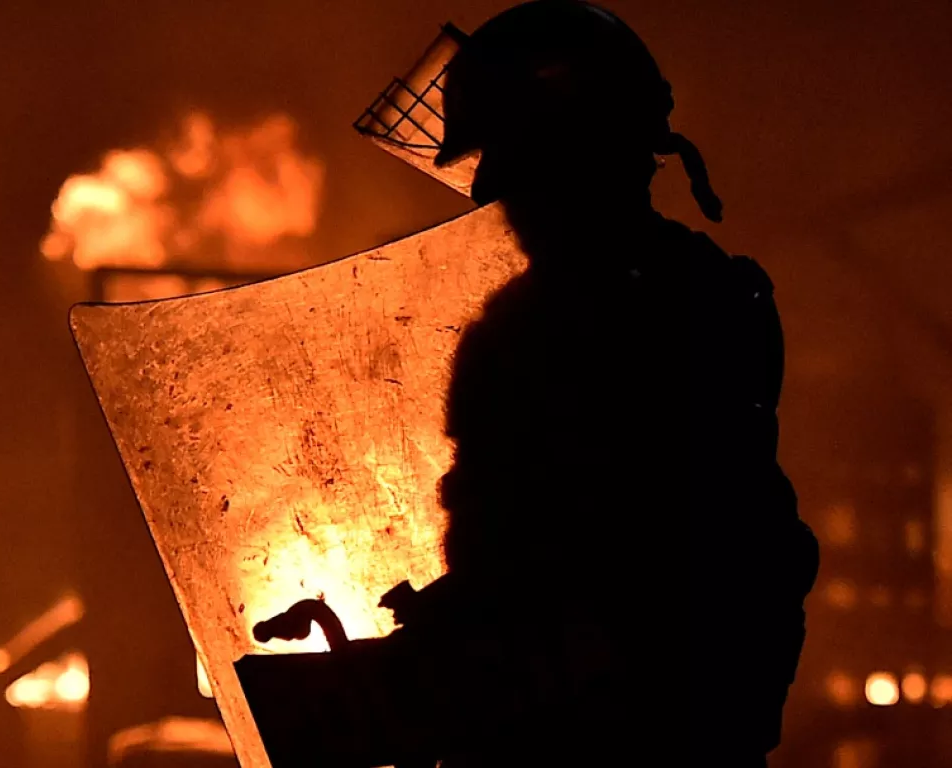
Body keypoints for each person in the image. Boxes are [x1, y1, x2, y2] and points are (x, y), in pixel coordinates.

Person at [238, 2, 819, 766]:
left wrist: (487, 645)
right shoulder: (707, 296)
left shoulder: (578, 324)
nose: (494, 202)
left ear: (575, 161)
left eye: (515, 172)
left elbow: (641, 559)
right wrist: (459, 619)